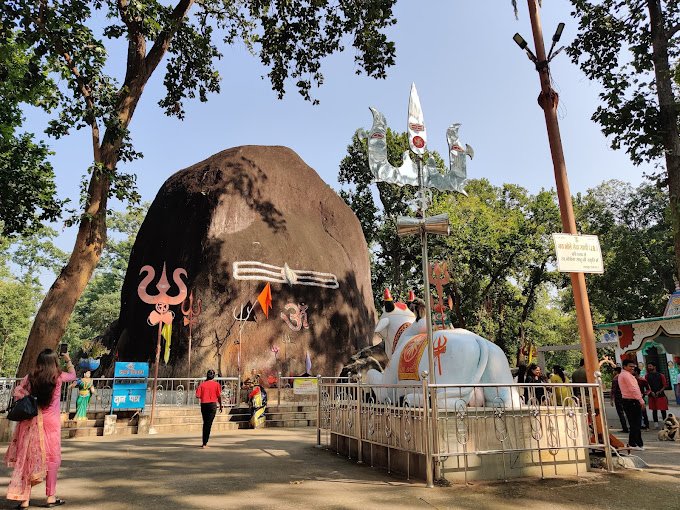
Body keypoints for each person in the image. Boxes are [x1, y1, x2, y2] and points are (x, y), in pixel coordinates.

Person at [5, 348, 76, 508]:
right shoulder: (58, 377)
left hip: (32, 423)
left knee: (29, 459)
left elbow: (18, 393)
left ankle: (24, 500)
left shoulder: (31, 377)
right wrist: (68, 359)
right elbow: (73, 376)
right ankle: (50, 497)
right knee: (52, 459)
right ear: (54, 362)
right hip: (51, 423)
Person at [619, 359, 645, 450]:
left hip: (629, 401)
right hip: (632, 401)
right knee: (636, 424)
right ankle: (635, 444)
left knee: (634, 423)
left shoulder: (626, 375)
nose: (633, 368)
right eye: (630, 366)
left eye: (633, 366)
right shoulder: (626, 375)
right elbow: (633, 389)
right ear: (625, 366)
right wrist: (641, 400)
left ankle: (634, 443)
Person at [195, 369, 223, 448]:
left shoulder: (202, 385)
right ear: (213, 376)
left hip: (204, 405)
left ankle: (204, 442)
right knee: (208, 424)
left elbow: (197, 395)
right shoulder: (216, 384)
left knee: (205, 423)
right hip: (212, 405)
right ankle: (205, 443)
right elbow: (219, 396)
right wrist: (221, 405)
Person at [645, 362, 668, 429]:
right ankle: (656, 424)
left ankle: (665, 424)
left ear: (654, 367)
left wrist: (659, 391)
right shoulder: (647, 376)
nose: (649, 367)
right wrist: (651, 391)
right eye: (648, 366)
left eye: (650, 366)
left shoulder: (661, 375)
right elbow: (647, 385)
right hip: (651, 395)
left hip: (661, 395)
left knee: (663, 410)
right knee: (654, 410)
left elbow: (664, 385)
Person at [610, 367, 629, 433]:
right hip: (626, 397)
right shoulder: (625, 377)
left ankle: (625, 428)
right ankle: (630, 427)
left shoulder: (615, 379)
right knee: (627, 412)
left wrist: (611, 399)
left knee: (621, 413)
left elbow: (613, 389)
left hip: (618, 397)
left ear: (616, 371)